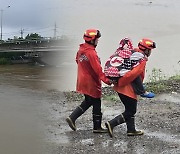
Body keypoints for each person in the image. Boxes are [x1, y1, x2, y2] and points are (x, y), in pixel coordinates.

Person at [105, 38, 156, 137]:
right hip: (127, 89)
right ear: (147, 50)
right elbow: (132, 75)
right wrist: (142, 91)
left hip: (121, 88)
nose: (150, 52)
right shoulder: (141, 60)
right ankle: (112, 124)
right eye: (150, 50)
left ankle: (131, 130)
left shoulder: (133, 53)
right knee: (131, 110)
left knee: (129, 109)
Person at [66, 29, 112, 133]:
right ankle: (97, 127)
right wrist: (107, 80)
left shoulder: (81, 50)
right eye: (97, 39)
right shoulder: (91, 53)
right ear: (92, 40)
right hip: (91, 82)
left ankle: (72, 117)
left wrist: (85, 69)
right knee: (96, 102)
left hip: (82, 80)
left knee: (88, 101)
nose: (98, 41)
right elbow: (98, 70)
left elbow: (77, 60)